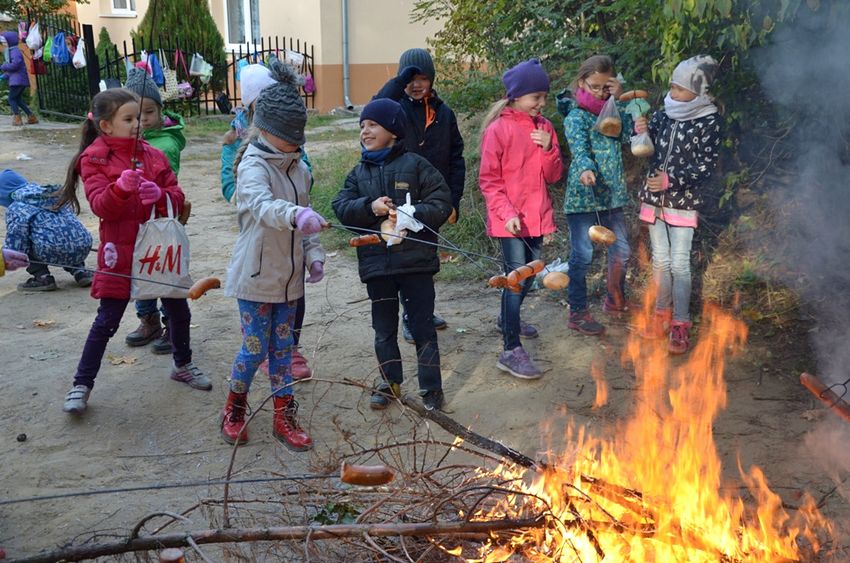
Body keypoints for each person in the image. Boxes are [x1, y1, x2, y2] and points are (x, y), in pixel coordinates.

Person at [57, 88, 211, 416]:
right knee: (107, 321)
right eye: (128, 118)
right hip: (120, 254)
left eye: (139, 116)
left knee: (179, 312)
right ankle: (82, 383)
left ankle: (182, 365)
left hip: (159, 252)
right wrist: (121, 189)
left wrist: (161, 194)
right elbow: (101, 206)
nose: (138, 123)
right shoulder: (94, 158)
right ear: (106, 126)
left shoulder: (154, 155)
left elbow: (176, 193)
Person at [220, 60, 326, 451]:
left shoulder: (298, 167)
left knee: (283, 351)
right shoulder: (252, 166)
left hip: (290, 282)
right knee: (253, 349)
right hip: (256, 278)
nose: (296, 145)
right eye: (289, 139)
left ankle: (284, 415)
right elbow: (264, 207)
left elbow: (306, 213)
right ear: (265, 130)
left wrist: (314, 254)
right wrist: (297, 215)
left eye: (299, 139)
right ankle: (234, 406)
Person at [332, 98, 452, 411]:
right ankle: (389, 382)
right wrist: (369, 207)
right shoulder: (358, 174)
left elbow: (441, 203)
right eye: (362, 126)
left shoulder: (416, 165)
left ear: (393, 131)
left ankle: (431, 388)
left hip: (416, 264)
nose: (365, 131)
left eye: (372, 125)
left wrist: (410, 214)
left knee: (422, 326)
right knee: (383, 329)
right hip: (378, 267)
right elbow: (341, 209)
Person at [373, 48, 465, 342]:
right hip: (400, 197)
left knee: (426, 258)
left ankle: (423, 310)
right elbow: (377, 106)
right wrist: (398, 81)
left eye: (422, 78)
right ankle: (410, 317)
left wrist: (452, 200)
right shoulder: (394, 109)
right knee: (405, 259)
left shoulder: (443, 112)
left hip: (432, 199)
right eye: (410, 79)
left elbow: (456, 158)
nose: (416, 84)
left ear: (432, 80)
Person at [479, 59, 563, 379]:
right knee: (514, 283)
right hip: (509, 221)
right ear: (515, 96)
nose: (541, 104)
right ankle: (510, 349)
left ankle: (506, 318)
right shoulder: (498, 130)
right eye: (536, 98)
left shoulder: (544, 128)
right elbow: (489, 181)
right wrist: (507, 213)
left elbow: (554, 175)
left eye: (544, 97)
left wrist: (549, 149)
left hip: (536, 218)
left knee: (528, 276)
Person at [635, 55, 723, 354]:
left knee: (680, 264)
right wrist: (640, 132)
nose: (672, 93)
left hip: (683, 201)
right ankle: (661, 316)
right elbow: (646, 151)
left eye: (679, 88)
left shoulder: (708, 120)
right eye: (671, 86)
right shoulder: (663, 114)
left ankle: (681, 324)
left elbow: (707, 166)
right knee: (660, 260)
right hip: (653, 198)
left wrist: (671, 180)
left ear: (698, 92)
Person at [558, 55, 638, 336]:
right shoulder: (575, 115)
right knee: (583, 255)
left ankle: (614, 300)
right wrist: (586, 169)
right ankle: (577, 312)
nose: (600, 92)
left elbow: (629, 137)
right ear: (582, 82)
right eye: (594, 86)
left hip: (613, 197)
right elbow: (579, 149)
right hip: (584, 198)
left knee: (622, 250)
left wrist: (622, 101)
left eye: (606, 87)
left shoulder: (613, 111)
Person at [122, 67, 189, 352]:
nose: (142, 120)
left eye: (148, 112)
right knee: (140, 271)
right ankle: (148, 319)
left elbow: (164, 176)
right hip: (134, 221)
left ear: (160, 111)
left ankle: (171, 323)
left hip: (161, 220)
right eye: (133, 116)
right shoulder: (124, 143)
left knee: (163, 271)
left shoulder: (165, 143)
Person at [0, 169, 93, 291]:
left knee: (23, 241)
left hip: (52, 249)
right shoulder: (50, 194)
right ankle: (81, 272)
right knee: (65, 235)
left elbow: (15, 244)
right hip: (82, 245)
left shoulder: (16, 207)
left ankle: (43, 278)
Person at [0, 32, 38, 126]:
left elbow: (15, 65)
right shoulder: (11, 52)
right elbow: (13, 71)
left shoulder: (14, 52)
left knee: (11, 99)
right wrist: (4, 76)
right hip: (18, 80)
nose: (2, 46)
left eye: (3, 43)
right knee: (18, 100)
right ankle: (31, 116)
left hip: (18, 81)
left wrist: (3, 66)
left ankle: (17, 118)